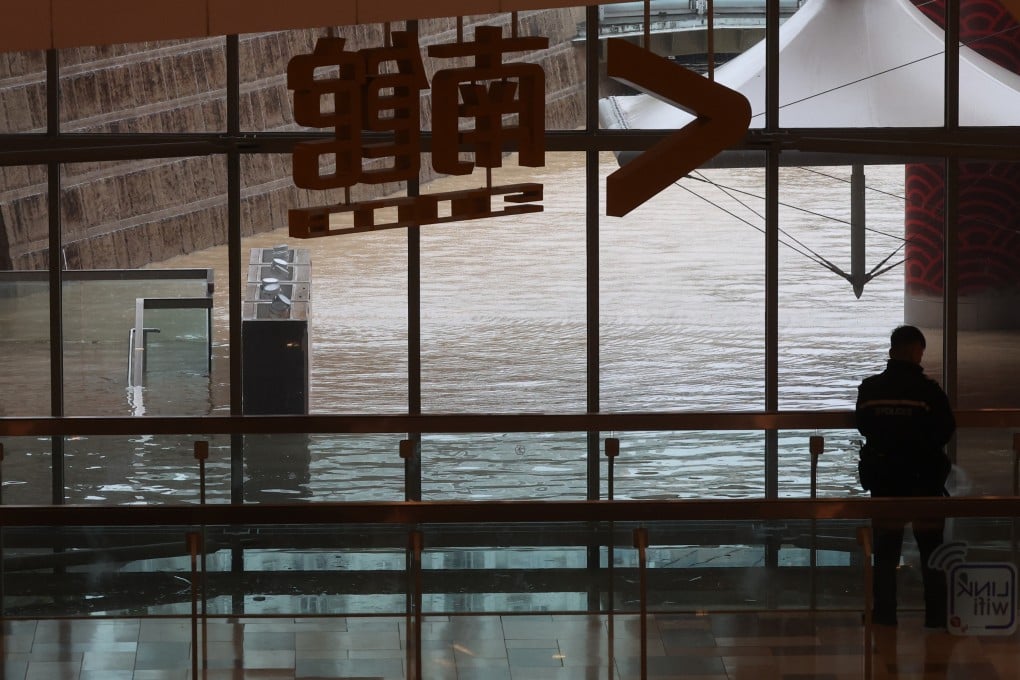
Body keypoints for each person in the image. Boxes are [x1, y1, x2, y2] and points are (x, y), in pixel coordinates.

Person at [856, 325, 955, 629]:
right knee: (932, 552)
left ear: (892, 349)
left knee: (885, 552)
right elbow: (945, 430)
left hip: (885, 480)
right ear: (916, 351)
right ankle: (936, 617)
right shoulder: (929, 392)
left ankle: (885, 615)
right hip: (924, 481)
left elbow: (864, 426)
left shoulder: (870, 389)